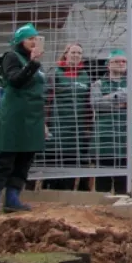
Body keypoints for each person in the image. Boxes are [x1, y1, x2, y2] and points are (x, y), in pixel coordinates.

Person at [0, 23, 48, 215]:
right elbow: (15, 81)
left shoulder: (34, 61)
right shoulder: (11, 57)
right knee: (6, 157)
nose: (33, 42)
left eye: (36, 38)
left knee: (25, 158)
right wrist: (33, 62)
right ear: (20, 40)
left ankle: (12, 199)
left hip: (33, 116)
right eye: (30, 38)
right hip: (14, 116)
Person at [43, 43, 89, 191]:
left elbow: (88, 104)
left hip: (77, 129)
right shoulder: (55, 73)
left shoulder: (85, 76)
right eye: (73, 52)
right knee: (54, 162)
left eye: (79, 53)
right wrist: (44, 122)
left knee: (72, 163)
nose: (76, 55)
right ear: (66, 54)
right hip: (57, 126)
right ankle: (49, 192)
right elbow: (45, 99)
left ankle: (67, 193)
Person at [90, 50, 131, 195]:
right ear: (108, 65)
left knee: (123, 180)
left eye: (124, 61)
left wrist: (108, 98)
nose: (121, 64)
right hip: (104, 138)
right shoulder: (98, 84)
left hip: (124, 138)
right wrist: (120, 101)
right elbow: (96, 104)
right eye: (117, 61)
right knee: (103, 180)